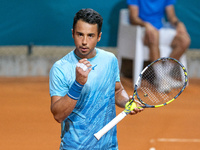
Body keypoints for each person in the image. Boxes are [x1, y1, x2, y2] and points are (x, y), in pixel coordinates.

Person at [49, 8, 143, 150]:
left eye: (90, 35)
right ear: (72, 33)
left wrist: (126, 102)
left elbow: (117, 91)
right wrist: (78, 83)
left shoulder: (110, 60)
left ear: (99, 36)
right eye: (80, 34)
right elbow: (58, 115)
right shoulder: (60, 68)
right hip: (75, 146)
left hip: (108, 145)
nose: (84, 42)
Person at [127, 0, 191, 92]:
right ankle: (162, 78)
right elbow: (133, 18)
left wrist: (178, 24)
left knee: (185, 40)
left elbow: (171, 17)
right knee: (154, 34)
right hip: (141, 30)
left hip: (161, 29)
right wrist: (146, 24)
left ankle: (163, 78)